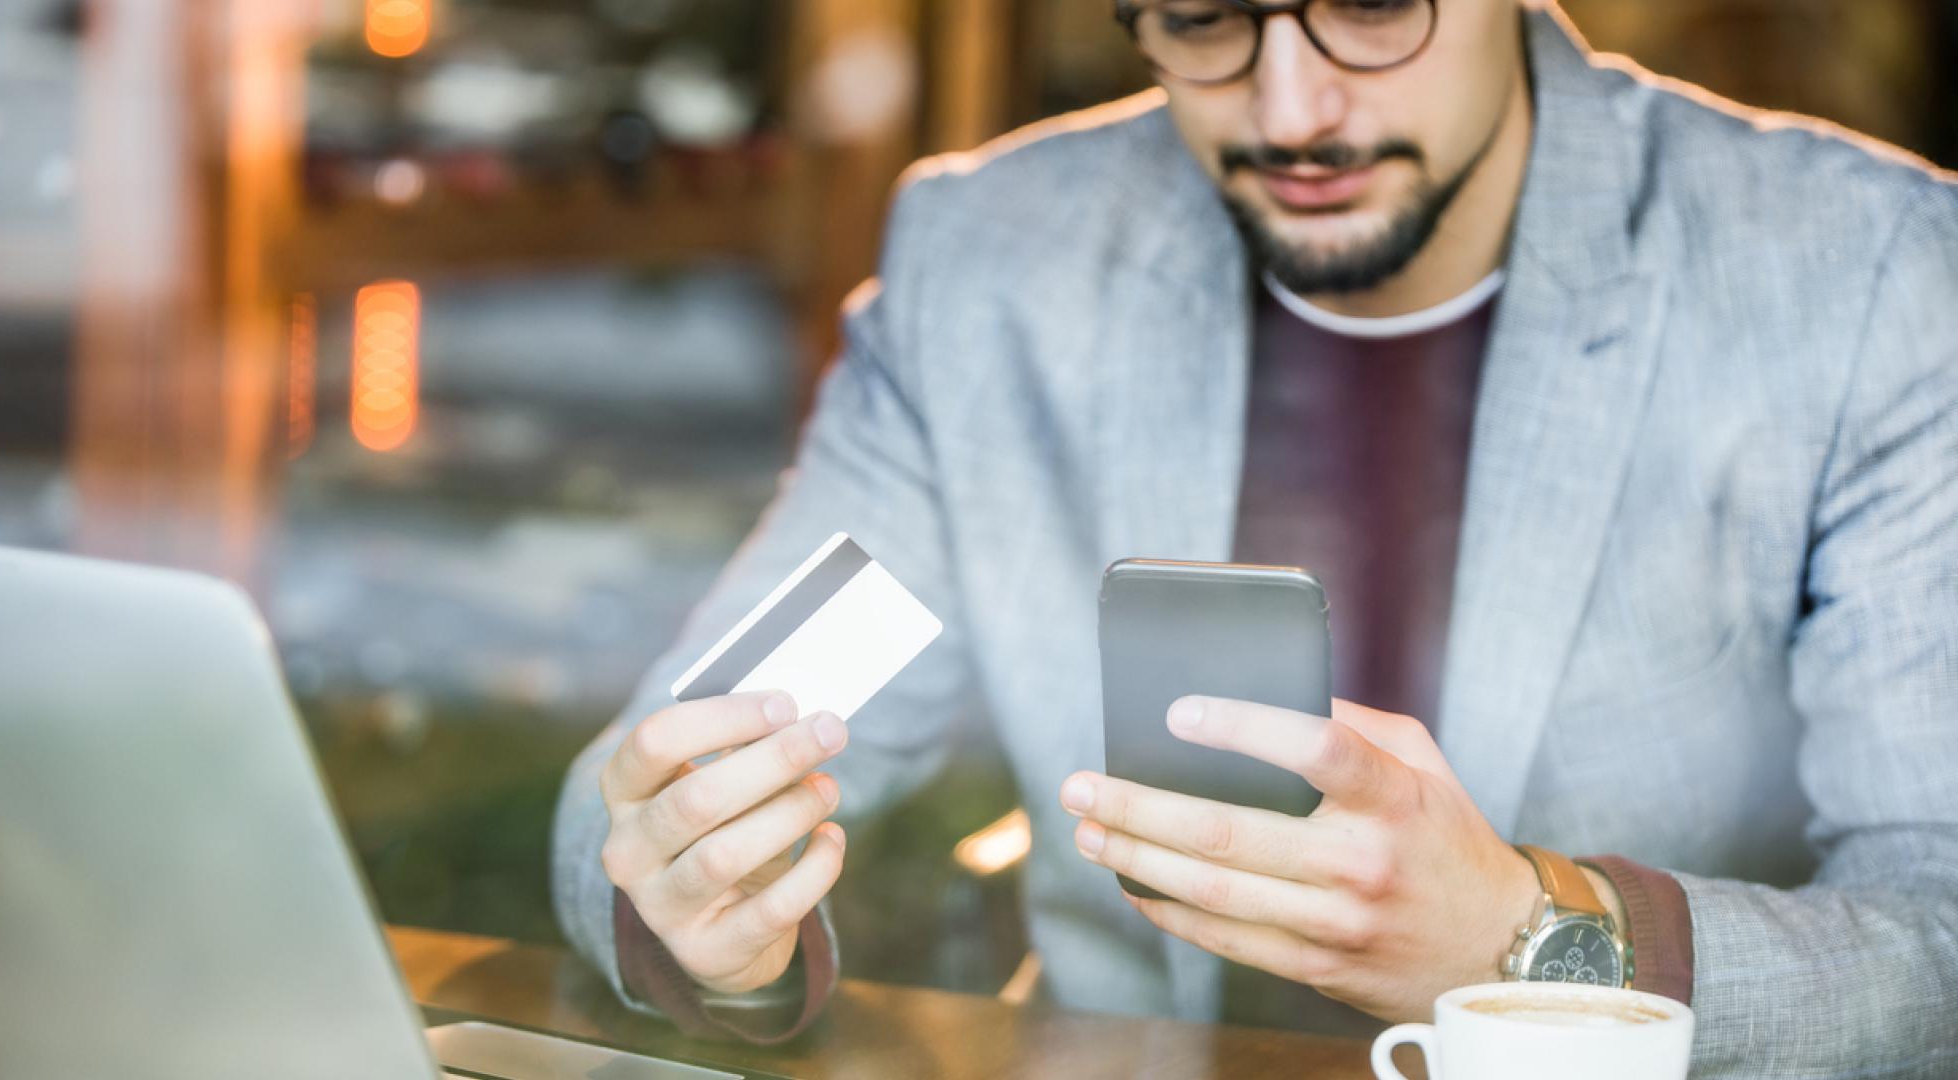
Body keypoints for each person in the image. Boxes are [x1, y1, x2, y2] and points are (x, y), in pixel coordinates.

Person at [552, 1, 1958, 1074]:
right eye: (1205, 19)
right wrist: (701, 912)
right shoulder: (990, 273)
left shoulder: (1864, 277)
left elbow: (1940, 941)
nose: (1290, 108)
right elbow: (635, 793)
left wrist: (1526, 945)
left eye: (1368, 4)